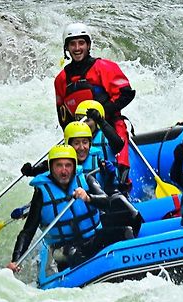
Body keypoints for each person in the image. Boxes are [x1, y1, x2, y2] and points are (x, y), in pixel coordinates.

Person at [7, 145, 135, 273]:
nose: (64, 171)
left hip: (92, 238)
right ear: (51, 168)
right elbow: (28, 231)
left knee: (126, 232)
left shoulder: (86, 179)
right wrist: (16, 259)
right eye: (59, 165)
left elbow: (108, 203)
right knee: (74, 253)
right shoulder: (41, 193)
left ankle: (130, 268)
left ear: (74, 167)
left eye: (68, 165)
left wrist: (88, 198)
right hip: (63, 248)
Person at [54, 22, 135, 190]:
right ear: (67, 48)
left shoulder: (103, 67)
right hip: (81, 135)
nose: (77, 48)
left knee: (120, 169)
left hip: (111, 127)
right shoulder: (61, 79)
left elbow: (126, 93)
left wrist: (101, 113)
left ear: (88, 45)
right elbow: (63, 118)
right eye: (72, 44)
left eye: (81, 43)